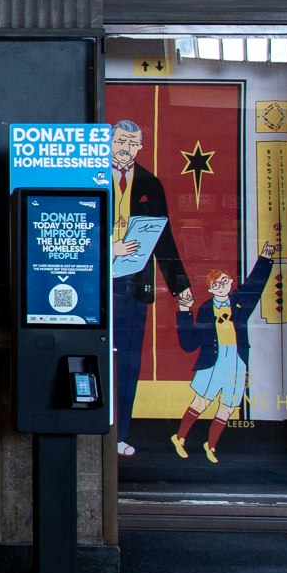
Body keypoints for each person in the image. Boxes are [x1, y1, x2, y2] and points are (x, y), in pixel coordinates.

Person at [108, 119, 192, 458]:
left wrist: (179, 286)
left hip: (134, 285)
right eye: (120, 141)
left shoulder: (150, 183)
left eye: (132, 143)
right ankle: (94, 427)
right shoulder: (90, 176)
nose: (125, 148)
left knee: (128, 361)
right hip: (95, 282)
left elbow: (163, 238)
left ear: (140, 147)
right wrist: (108, 246)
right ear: (109, 142)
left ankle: (120, 434)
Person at [170, 241, 277, 463]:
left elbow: (255, 285)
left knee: (227, 408)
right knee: (201, 403)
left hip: (237, 362)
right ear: (210, 289)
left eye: (225, 281)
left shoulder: (239, 302)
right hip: (213, 362)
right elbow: (189, 344)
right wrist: (183, 310)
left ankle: (211, 446)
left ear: (230, 282)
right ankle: (179, 437)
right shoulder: (205, 309)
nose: (221, 285)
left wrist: (265, 259)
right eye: (216, 284)